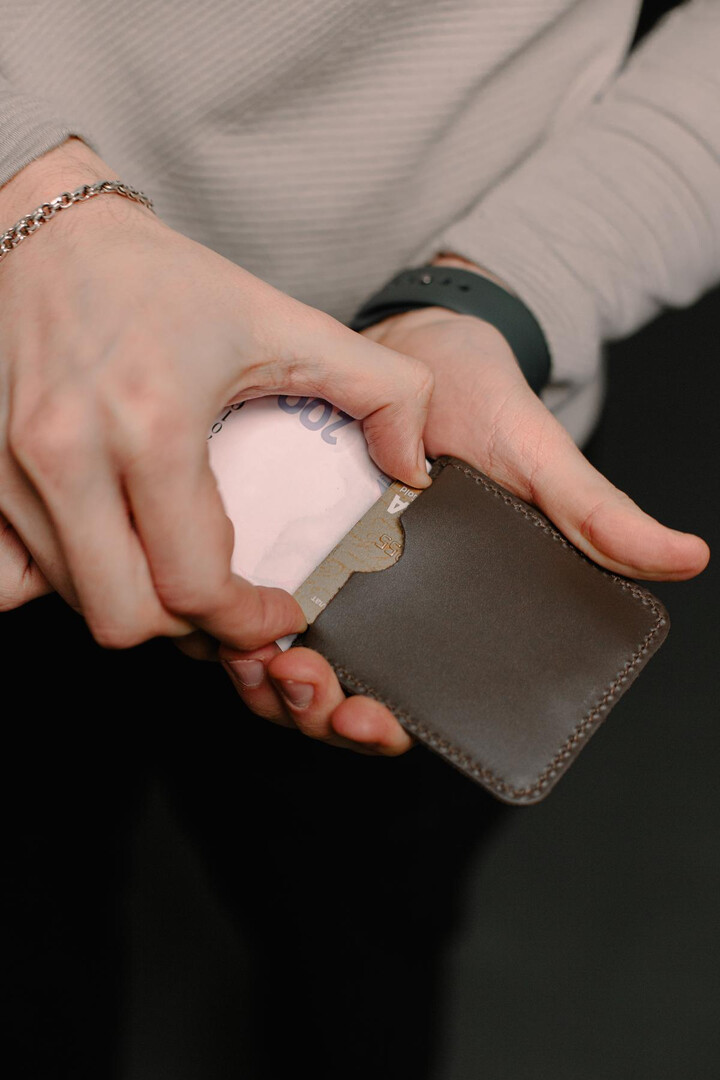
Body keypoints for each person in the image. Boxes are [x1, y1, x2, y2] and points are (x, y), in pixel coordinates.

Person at [0, 0, 716, 1073]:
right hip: (22, 427)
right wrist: (27, 200)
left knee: (358, 942)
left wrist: (503, 292)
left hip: (443, 455)